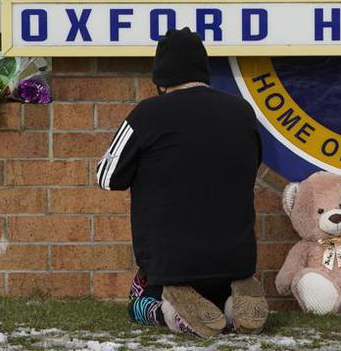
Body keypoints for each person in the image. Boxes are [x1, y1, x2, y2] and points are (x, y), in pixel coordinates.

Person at [96, 27, 267, 337]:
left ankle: (170, 312)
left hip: (171, 262)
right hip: (237, 260)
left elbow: (107, 178)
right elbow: (252, 165)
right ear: (203, 70)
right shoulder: (242, 112)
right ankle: (233, 304)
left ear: (160, 78)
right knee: (220, 292)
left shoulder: (147, 114)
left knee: (138, 300)